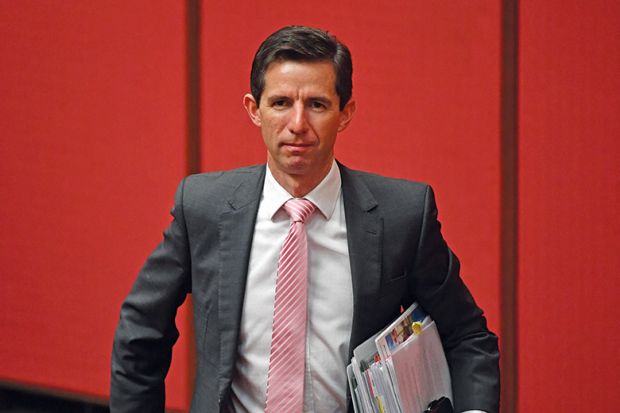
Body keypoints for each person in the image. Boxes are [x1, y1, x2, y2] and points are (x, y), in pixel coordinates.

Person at [110, 25, 500, 413]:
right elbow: (141, 332)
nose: (298, 124)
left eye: (316, 104)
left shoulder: (403, 216)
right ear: (254, 110)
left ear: (345, 113)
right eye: (281, 103)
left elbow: (467, 336)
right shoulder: (203, 207)